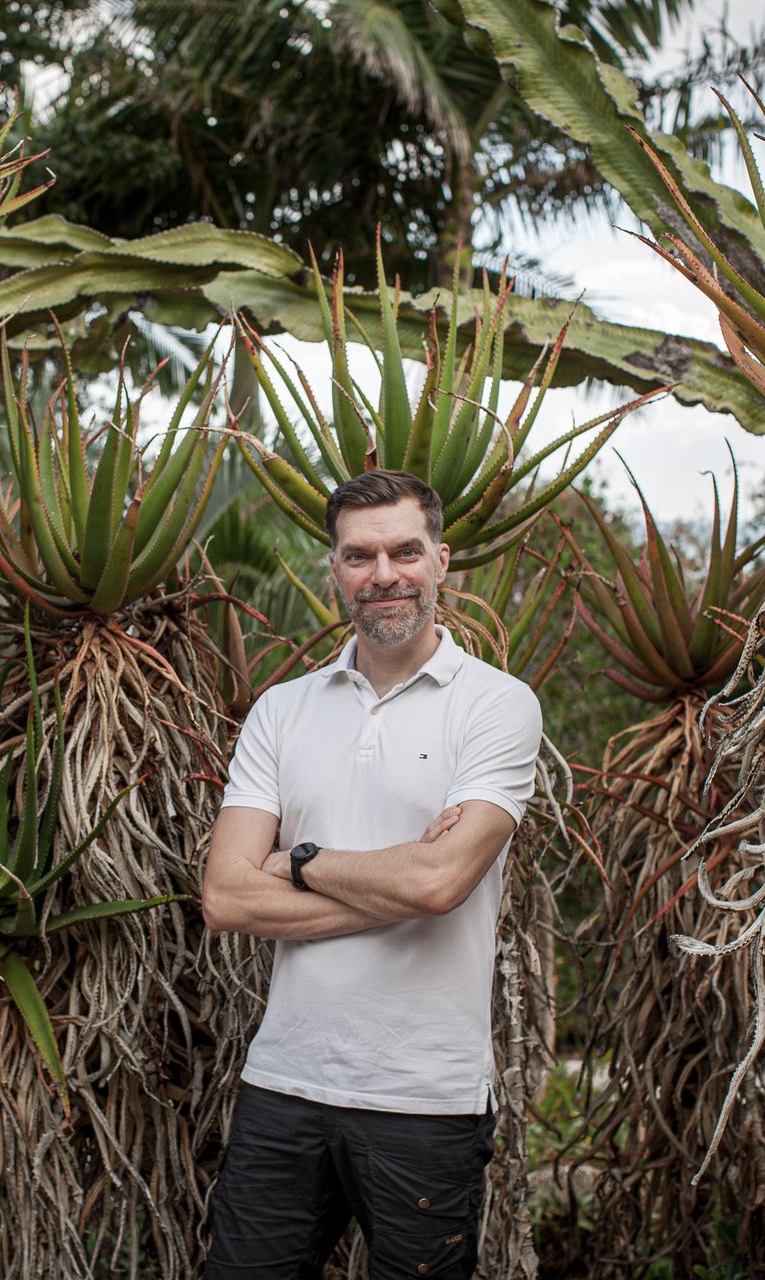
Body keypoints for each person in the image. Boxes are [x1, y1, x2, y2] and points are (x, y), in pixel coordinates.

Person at [200, 469, 543, 1279]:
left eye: (403, 551)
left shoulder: (496, 705)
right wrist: (404, 881)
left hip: (425, 1099)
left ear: (442, 561)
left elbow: (439, 885)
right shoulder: (284, 710)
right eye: (359, 556)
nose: (383, 574)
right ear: (335, 570)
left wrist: (300, 862)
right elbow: (223, 894)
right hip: (284, 1084)